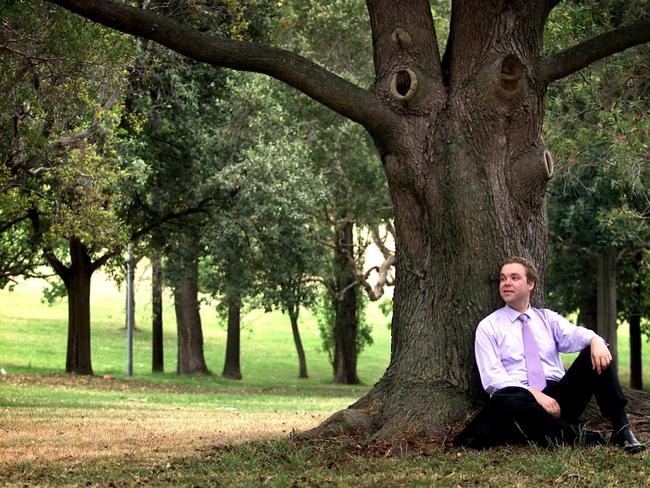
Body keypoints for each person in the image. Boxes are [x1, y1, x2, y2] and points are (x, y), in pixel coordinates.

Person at [454, 256, 645, 453]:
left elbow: (574, 335)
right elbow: (493, 378)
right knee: (506, 401)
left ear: (530, 284)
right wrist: (533, 394)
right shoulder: (489, 327)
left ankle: (622, 430)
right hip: (521, 400)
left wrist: (595, 340)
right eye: (503, 279)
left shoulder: (547, 318)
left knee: (595, 353)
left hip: (560, 399)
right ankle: (580, 436)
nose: (507, 283)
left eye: (514, 277)